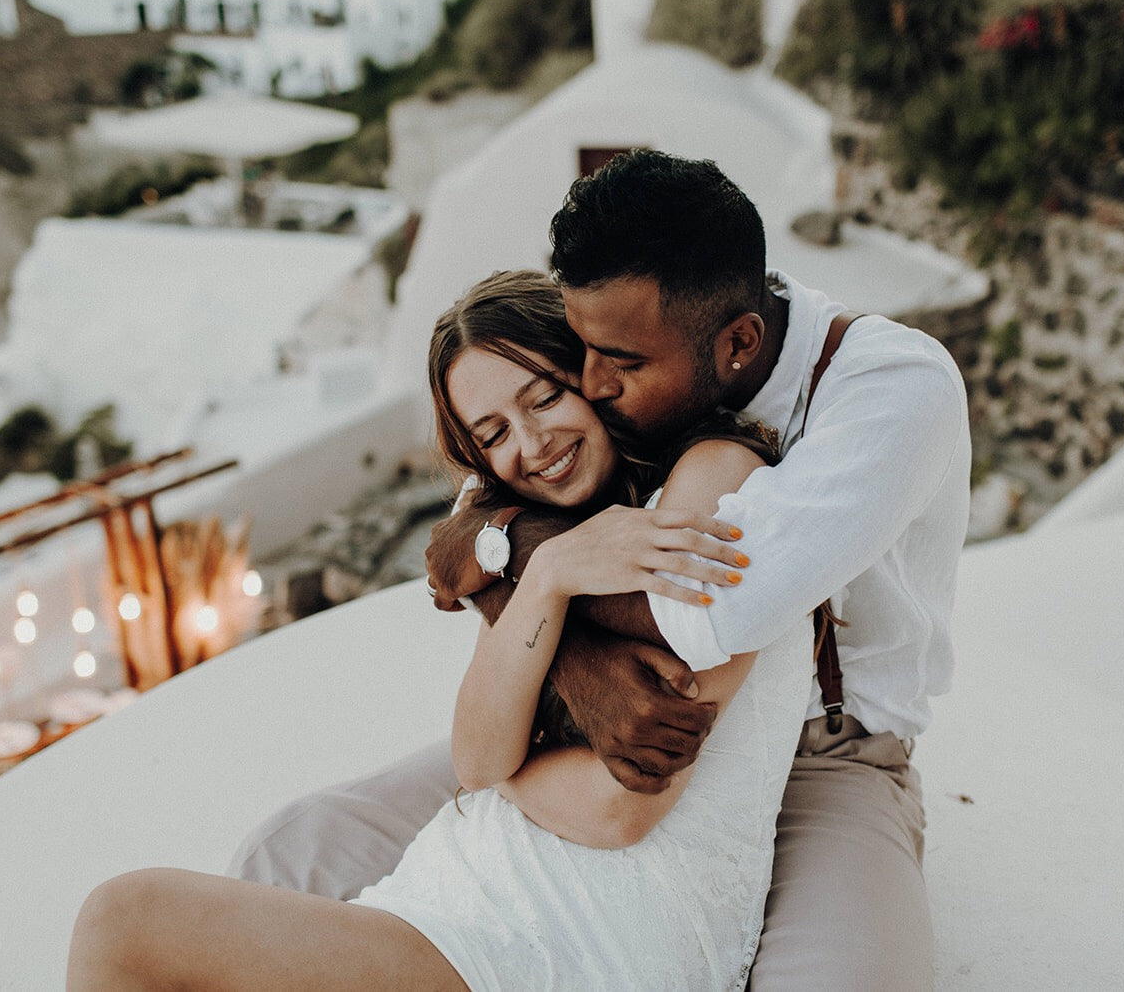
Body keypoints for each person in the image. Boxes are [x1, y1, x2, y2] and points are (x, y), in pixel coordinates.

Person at [232, 149, 971, 988]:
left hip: (826, 754)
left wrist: (516, 563)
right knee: (296, 848)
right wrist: (514, 559)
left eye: (613, 363)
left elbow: (705, 611)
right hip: (594, 733)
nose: (589, 383)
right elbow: (478, 510)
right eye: (575, 354)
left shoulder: (888, 387)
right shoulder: (630, 366)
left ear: (739, 344)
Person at [68, 270, 814, 989]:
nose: (533, 443)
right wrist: (548, 571)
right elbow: (478, 750)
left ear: (594, 371)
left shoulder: (719, 477)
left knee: (124, 920)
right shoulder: (545, 539)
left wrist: (509, 768)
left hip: (587, 938)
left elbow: (616, 806)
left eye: (544, 396)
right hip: (464, 904)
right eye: (494, 433)